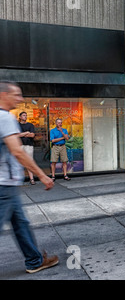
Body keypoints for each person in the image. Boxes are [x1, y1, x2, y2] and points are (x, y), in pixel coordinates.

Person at [0, 82, 58, 273]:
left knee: (21, 223)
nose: (21, 99)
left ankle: (34, 260)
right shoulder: (5, 117)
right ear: (4, 95)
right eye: (16, 95)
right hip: (4, 184)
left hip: (8, 183)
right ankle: (34, 260)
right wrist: (42, 175)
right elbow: (18, 151)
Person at [18, 111, 36, 185]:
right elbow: (16, 135)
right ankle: (19, 179)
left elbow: (32, 135)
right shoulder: (17, 125)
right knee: (19, 163)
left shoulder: (30, 125)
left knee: (29, 162)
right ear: (20, 117)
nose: (25, 116)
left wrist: (21, 134)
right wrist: (26, 133)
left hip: (29, 146)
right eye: (23, 115)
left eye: (26, 115)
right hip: (20, 146)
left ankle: (31, 179)